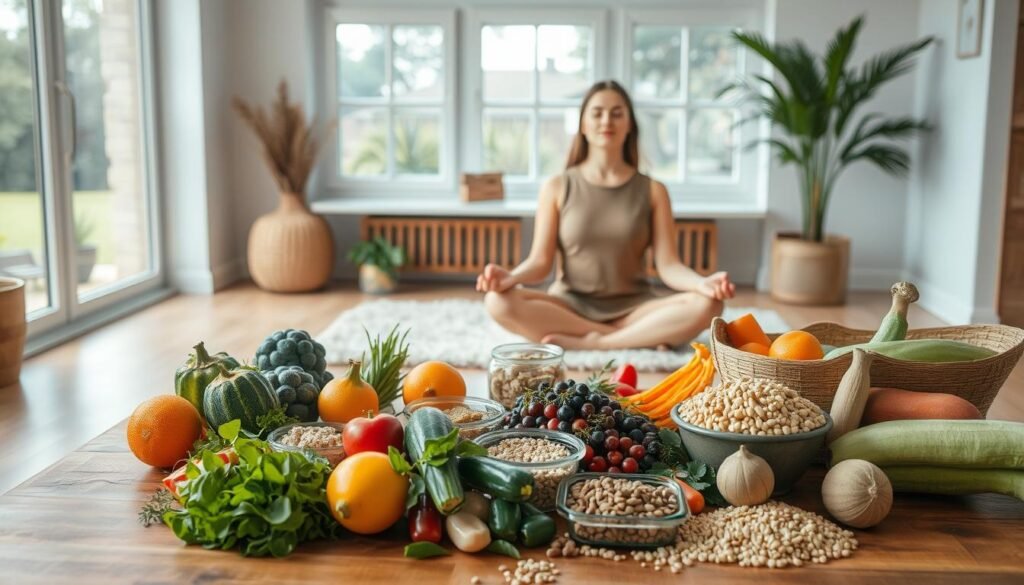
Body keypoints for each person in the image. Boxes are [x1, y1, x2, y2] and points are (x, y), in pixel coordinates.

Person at [476, 80, 735, 351]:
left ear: (630, 125)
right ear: (583, 125)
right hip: (569, 306)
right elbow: (540, 262)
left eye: (617, 113)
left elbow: (669, 265)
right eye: (597, 113)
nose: (606, 120)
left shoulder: (654, 190)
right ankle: (641, 337)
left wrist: (702, 283)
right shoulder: (556, 187)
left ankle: (598, 342)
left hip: (637, 308)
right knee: (497, 301)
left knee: (710, 303)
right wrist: (510, 278)